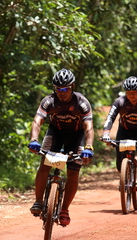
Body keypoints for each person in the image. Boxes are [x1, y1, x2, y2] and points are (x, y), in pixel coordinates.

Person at [28, 68, 94, 226]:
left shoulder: (82, 103)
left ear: (73, 87)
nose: (61, 92)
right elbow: (37, 121)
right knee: (45, 165)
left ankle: (64, 209)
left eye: (65, 89)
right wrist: (33, 140)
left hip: (76, 136)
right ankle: (38, 201)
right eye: (58, 89)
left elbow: (89, 127)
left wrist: (89, 147)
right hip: (55, 133)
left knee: (73, 172)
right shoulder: (49, 101)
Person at [101, 76, 137, 188]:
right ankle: (123, 177)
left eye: (134, 92)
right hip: (124, 130)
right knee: (118, 150)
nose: (132, 95)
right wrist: (106, 134)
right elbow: (110, 117)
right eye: (129, 92)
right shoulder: (119, 102)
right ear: (125, 92)